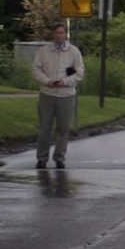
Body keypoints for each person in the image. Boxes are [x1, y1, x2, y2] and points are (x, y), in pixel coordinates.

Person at [32, 17, 84, 168]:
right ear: (53, 35)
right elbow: (36, 69)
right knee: (44, 127)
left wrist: (65, 81)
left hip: (66, 95)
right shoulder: (44, 51)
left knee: (62, 128)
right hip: (47, 93)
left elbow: (79, 72)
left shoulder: (73, 52)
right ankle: (42, 158)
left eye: (61, 33)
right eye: (56, 33)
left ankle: (59, 157)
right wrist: (48, 81)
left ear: (66, 35)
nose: (59, 36)